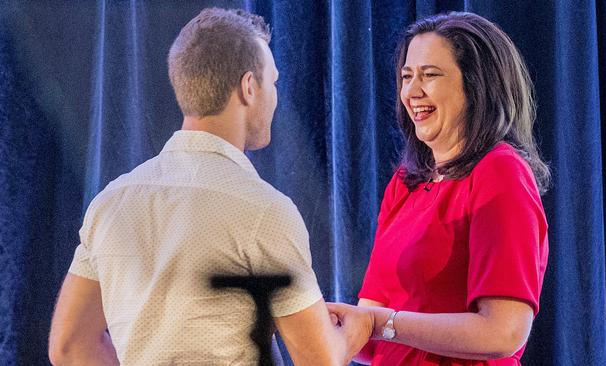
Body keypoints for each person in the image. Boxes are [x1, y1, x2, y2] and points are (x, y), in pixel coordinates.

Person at [48, 8, 364, 366]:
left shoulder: (110, 203)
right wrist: (361, 327)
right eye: (272, 83)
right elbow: (319, 361)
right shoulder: (264, 210)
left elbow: (70, 346)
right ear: (249, 87)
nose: (275, 97)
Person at [327, 11, 551, 366]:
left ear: (477, 85)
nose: (412, 92)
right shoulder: (405, 184)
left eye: (429, 75)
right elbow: (370, 339)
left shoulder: (500, 172)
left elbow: (504, 332)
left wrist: (379, 324)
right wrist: (311, 315)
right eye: (406, 76)